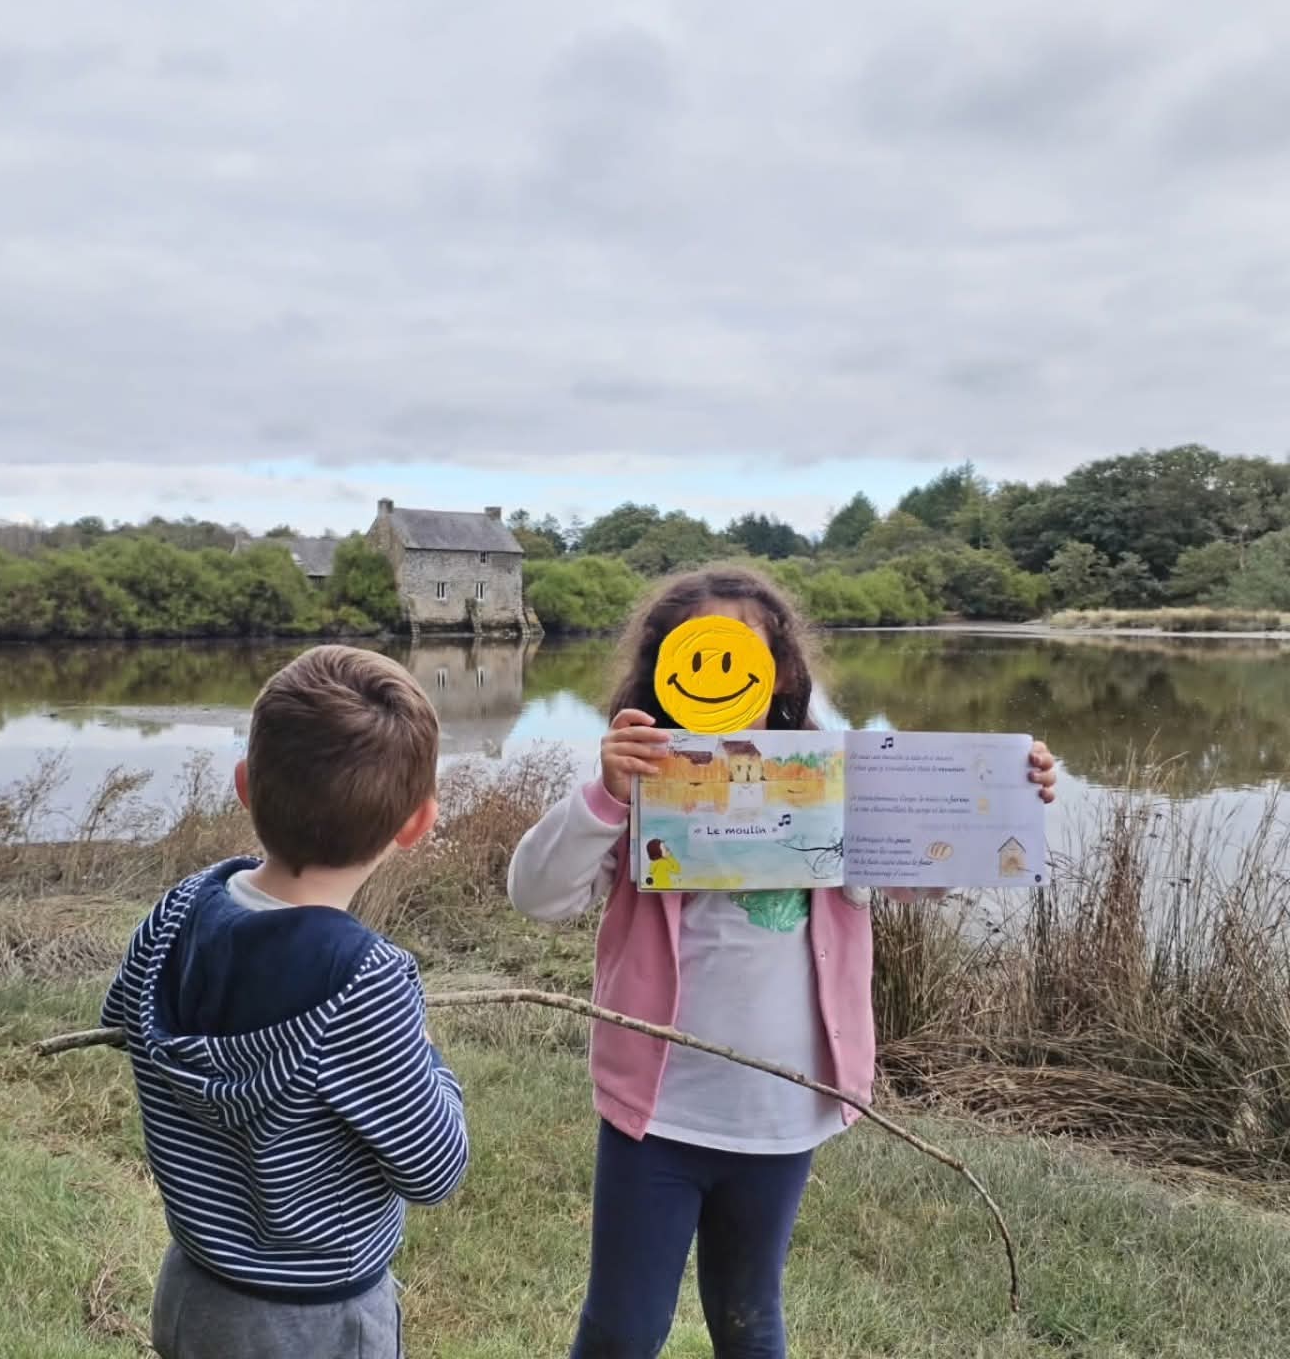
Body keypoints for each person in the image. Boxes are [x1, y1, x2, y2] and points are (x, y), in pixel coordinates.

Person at [508, 568, 1056, 1359]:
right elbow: (536, 896)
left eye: (743, 653)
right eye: (699, 653)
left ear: (782, 673)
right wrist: (605, 795)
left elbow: (923, 873)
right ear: (664, 670)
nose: (720, 674)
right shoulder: (638, 783)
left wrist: (1011, 794)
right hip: (655, 1115)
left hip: (782, 1114)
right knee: (622, 1330)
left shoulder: (841, 781)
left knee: (750, 1321)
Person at [103, 645, 469, 1359]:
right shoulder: (366, 983)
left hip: (195, 1292)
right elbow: (434, 1168)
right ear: (417, 823)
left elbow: (120, 1017)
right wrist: (427, 1059)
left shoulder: (181, 907)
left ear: (245, 784)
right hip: (323, 1318)